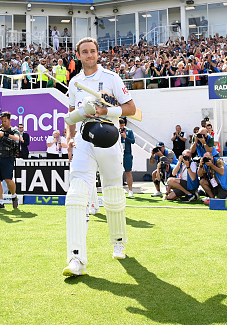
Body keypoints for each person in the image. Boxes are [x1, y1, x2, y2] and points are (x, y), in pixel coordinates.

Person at [63, 37, 137, 277]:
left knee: (113, 192)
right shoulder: (75, 83)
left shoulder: (112, 78)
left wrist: (106, 110)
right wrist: (70, 137)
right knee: (75, 194)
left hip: (109, 138)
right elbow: (70, 115)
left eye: (92, 51)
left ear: (98, 53)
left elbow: (131, 109)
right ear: (79, 55)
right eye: (84, 52)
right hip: (85, 140)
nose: (89, 55)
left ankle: (118, 242)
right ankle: (76, 259)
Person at [0, 112, 20, 210]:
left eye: (5, 121)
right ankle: (0, 202)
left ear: (9, 120)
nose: (3, 123)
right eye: (2, 121)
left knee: (8, 180)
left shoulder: (14, 130)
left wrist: (5, 134)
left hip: (8, 157)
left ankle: (14, 196)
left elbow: (17, 139)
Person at [119, 118, 135, 198]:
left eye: (122, 125)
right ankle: (118, 190)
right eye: (120, 126)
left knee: (128, 172)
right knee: (116, 172)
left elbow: (133, 141)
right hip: (117, 154)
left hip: (127, 153)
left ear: (124, 124)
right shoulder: (115, 130)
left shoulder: (129, 131)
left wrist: (125, 137)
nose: (121, 127)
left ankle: (130, 190)